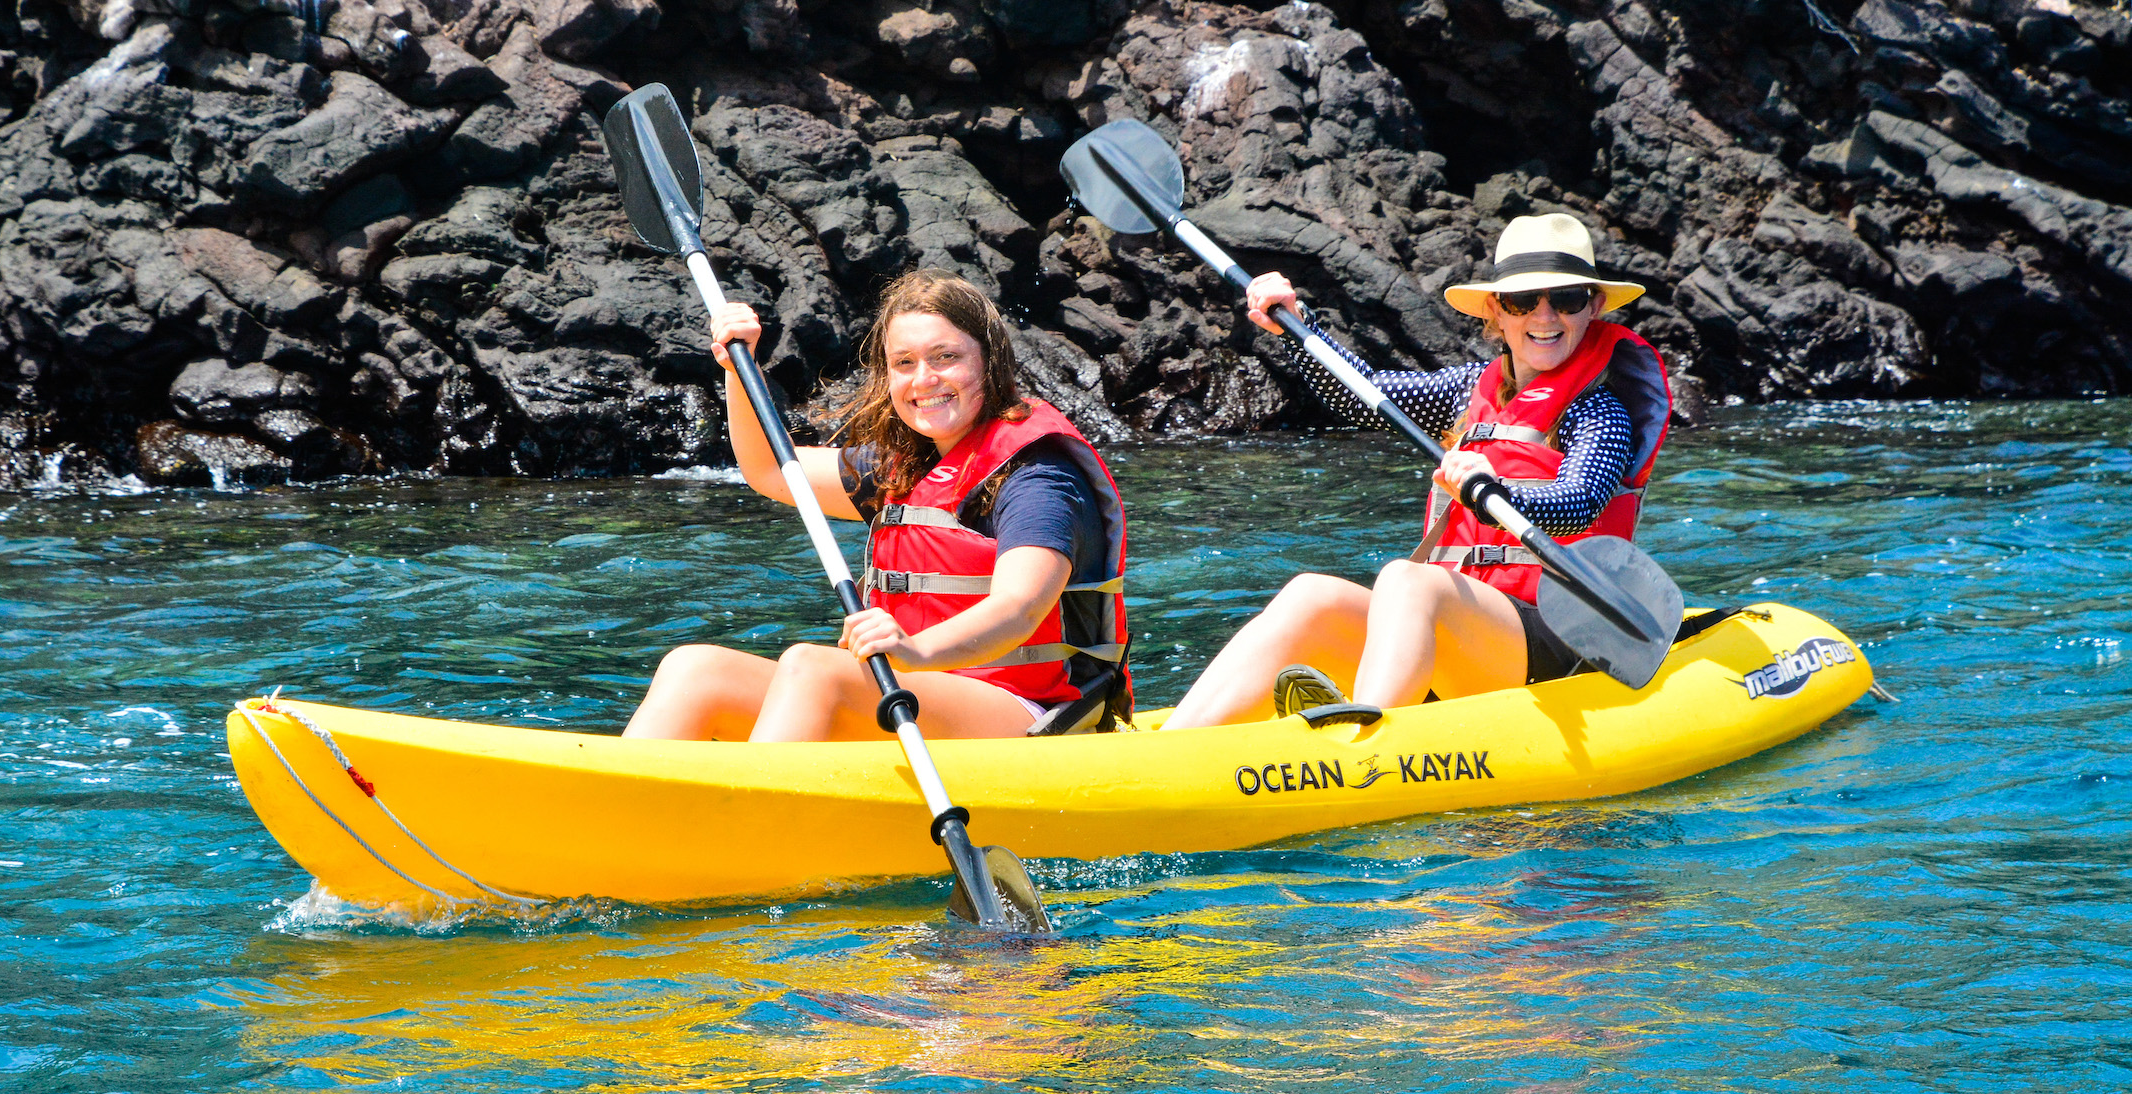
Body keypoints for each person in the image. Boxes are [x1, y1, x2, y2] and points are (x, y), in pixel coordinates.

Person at [1161, 213, 1672, 729]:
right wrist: (1298, 327)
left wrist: (1497, 491)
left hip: (1555, 637)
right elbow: (1362, 397)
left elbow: (1578, 503)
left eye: (1566, 299)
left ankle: (1364, 745)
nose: (1545, 316)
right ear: (1496, 309)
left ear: (1594, 305)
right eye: (1523, 301)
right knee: (1311, 595)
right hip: (1469, 634)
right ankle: (1174, 747)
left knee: (1409, 581)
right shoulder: (1468, 388)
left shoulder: (1599, 409)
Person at [625, 269, 1130, 743]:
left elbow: (1019, 609)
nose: (924, 379)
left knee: (816, 668)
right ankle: (622, 811)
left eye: (945, 357)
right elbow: (771, 471)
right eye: (904, 363)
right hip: (923, 691)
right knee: (695, 669)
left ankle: (752, 825)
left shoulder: (1037, 476)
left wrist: (914, 650)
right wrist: (739, 369)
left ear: (989, 361)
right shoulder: (902, 469)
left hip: (1034, 711)